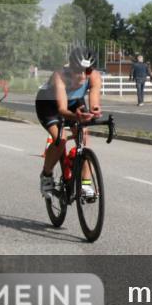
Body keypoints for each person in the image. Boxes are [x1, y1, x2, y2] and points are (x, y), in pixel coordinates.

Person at [36, 47, 103, 199]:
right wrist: (76, 116)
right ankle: (46, 175)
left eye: (87, 71)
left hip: (74, 102)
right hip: (49, 105)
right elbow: (61, 109)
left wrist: (94, 111)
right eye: (79, 70)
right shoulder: (59, 76)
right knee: (61, 139)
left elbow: (94, 101)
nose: (82, 75)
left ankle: (85, 184)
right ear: (71, 67)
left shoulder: (94, 76)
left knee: (84, 137)